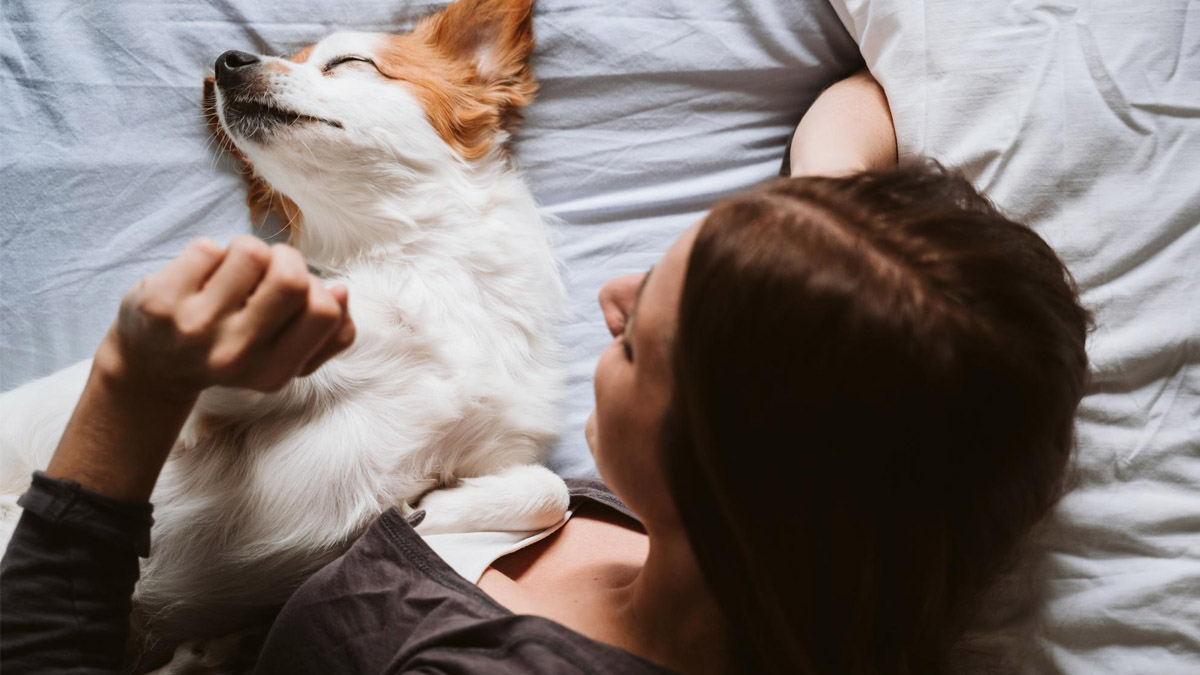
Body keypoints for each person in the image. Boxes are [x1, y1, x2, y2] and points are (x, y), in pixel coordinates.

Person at [0, 70, 1090, 674]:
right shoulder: (811, 543)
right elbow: (857, 105)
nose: (611, 296)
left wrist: (130, 393)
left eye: (635, 340)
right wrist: (821, 213)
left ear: (717, 453)